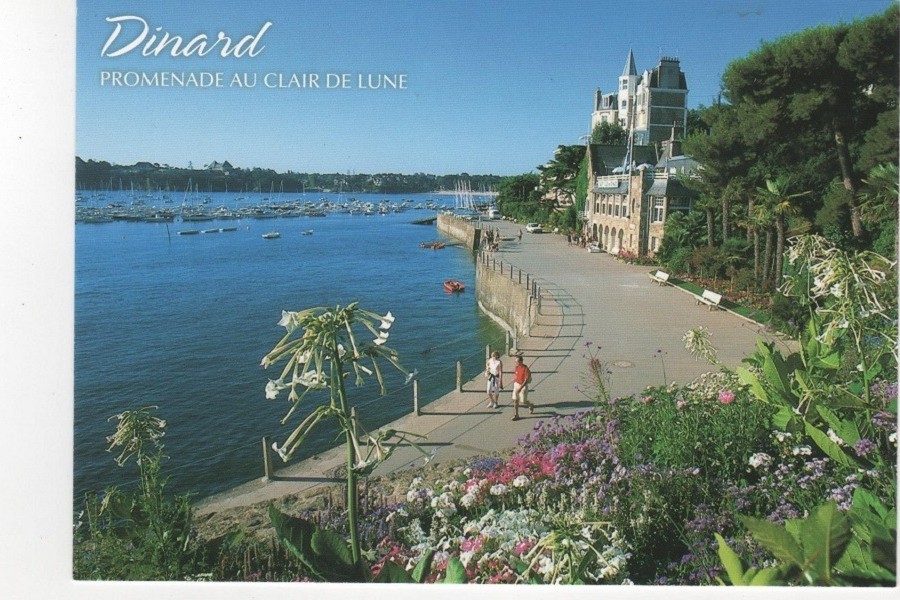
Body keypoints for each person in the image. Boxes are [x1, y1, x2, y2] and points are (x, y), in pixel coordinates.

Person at [510, 355, 534, 420]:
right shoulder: (516, 367)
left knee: (523, 401)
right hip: (516, 384)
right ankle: (516, 414)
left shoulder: (525, 368)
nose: (516, 363)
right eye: (515, 362)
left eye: (517, 362)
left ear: (521, 361)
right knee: (515, 400)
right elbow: (516, 375)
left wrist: (520, 388)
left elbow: (526, 380)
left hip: (523, 386)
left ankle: (530, 405)